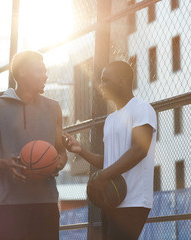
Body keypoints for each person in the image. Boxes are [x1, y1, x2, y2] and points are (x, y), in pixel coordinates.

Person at [0, 50, 67, 240]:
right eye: (40, 71)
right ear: (23, 72)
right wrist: (4, 164)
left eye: (45, 71)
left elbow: (61, 152)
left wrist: (58, 163)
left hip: (46, 202)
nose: (45, 75)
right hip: (10, 206)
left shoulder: (54, 108)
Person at [63, 61, 157, 240]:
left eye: (105, 80)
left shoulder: (141, 108)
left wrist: (103, 176)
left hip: (134, 199)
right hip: (112, 198)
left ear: (122, 81)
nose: (101, 85)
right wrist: (81, 150)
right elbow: (108, 162)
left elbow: (140, 150)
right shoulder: (111, 119)